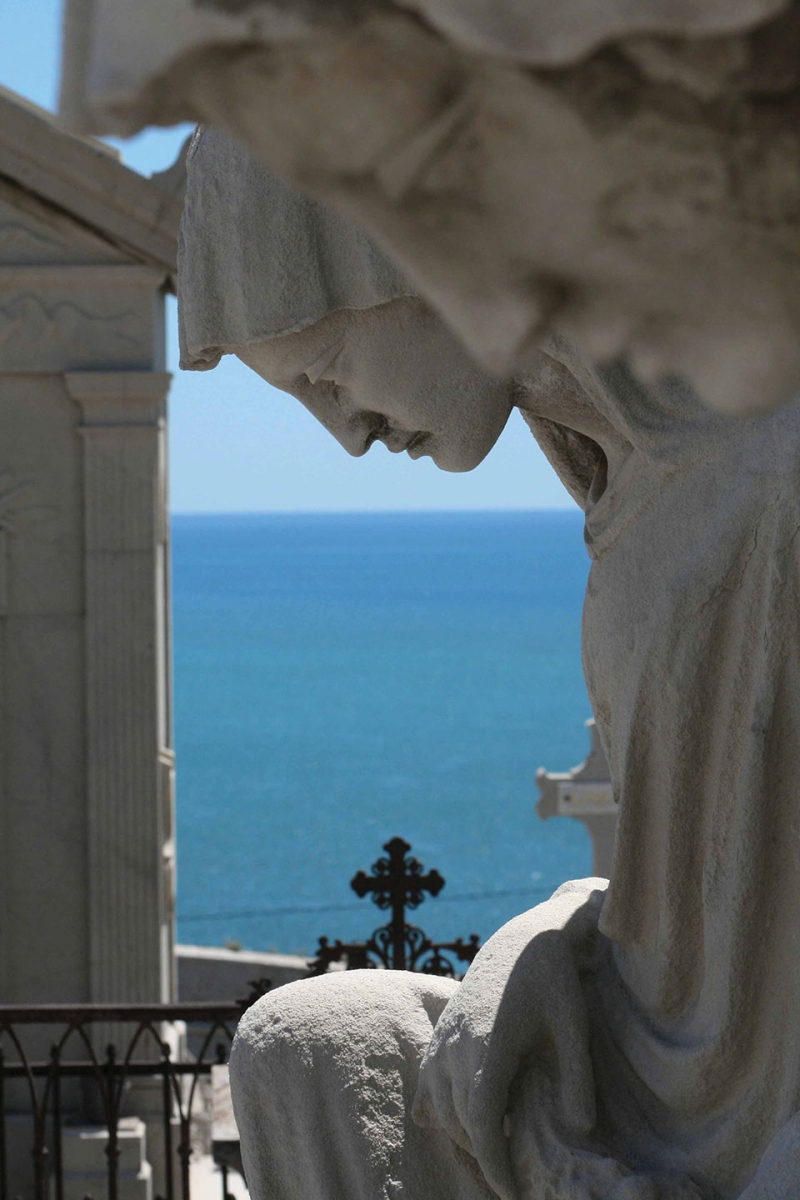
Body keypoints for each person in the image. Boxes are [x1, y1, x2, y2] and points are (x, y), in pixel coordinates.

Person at [182, 128, 800, 1200]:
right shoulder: (626, 485)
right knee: (304, 1045)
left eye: (325, 369)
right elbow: (668, 928)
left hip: (742, 1125)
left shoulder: (765, 478)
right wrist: (537, 959)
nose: (347, 435)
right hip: (648, 1078)